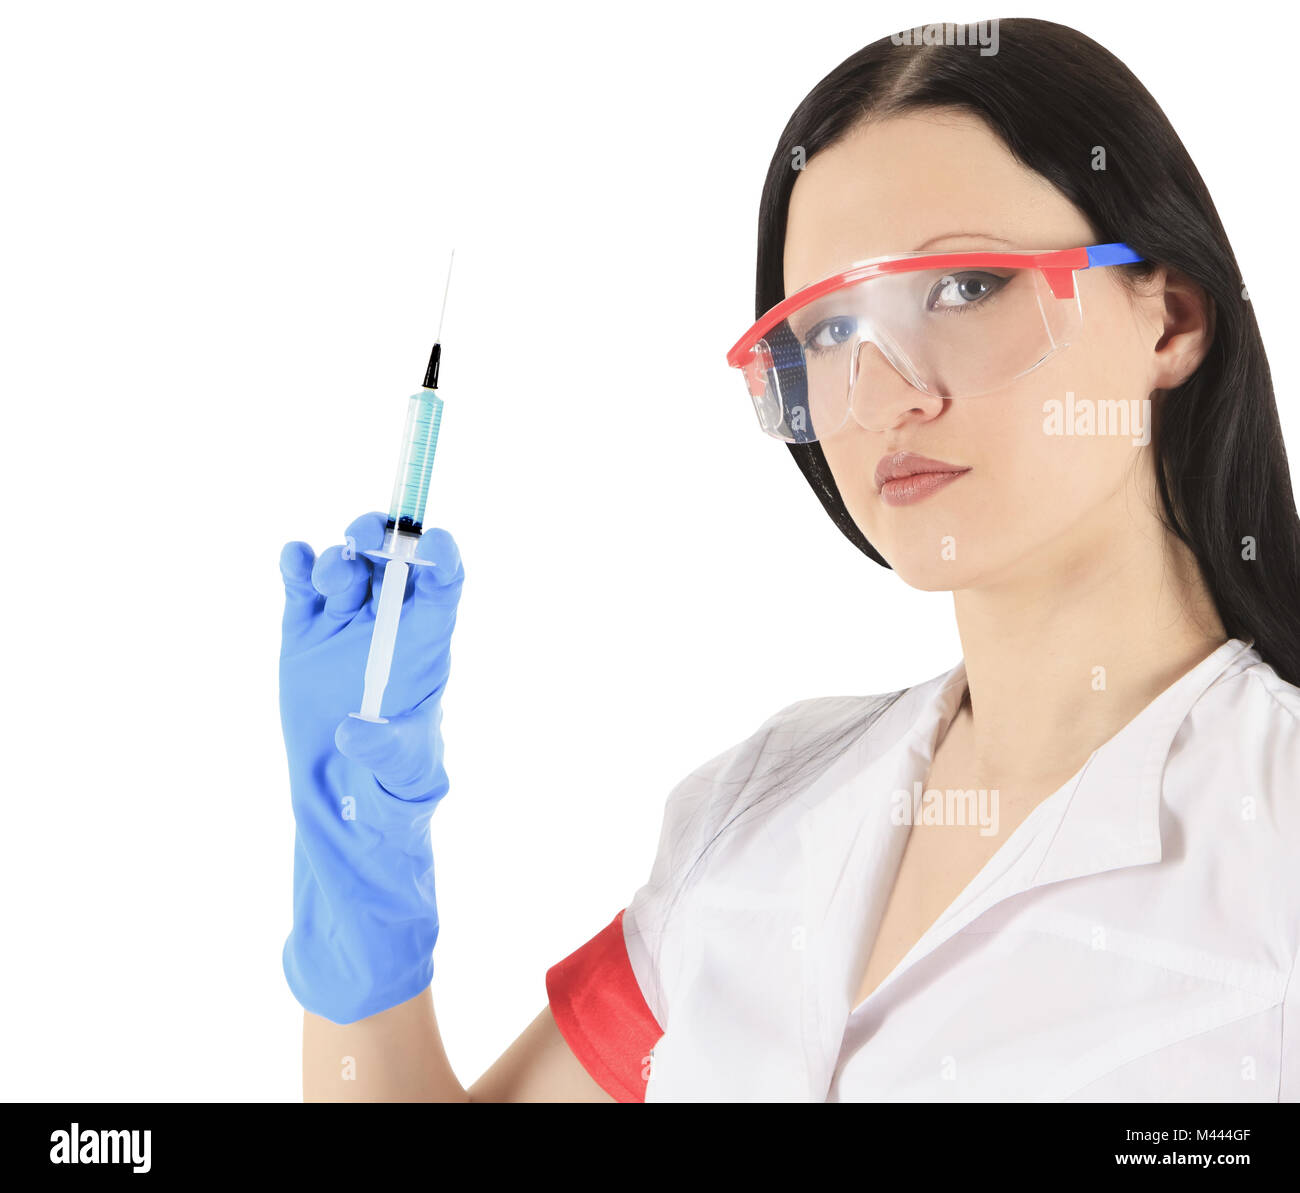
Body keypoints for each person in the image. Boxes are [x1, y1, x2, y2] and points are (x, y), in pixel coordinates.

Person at [278, 18, 1300, 1101]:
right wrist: (359, 876)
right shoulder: (762, 810)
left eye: (962, 288)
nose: (881, 391)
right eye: (825, 332)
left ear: (1172, 318)